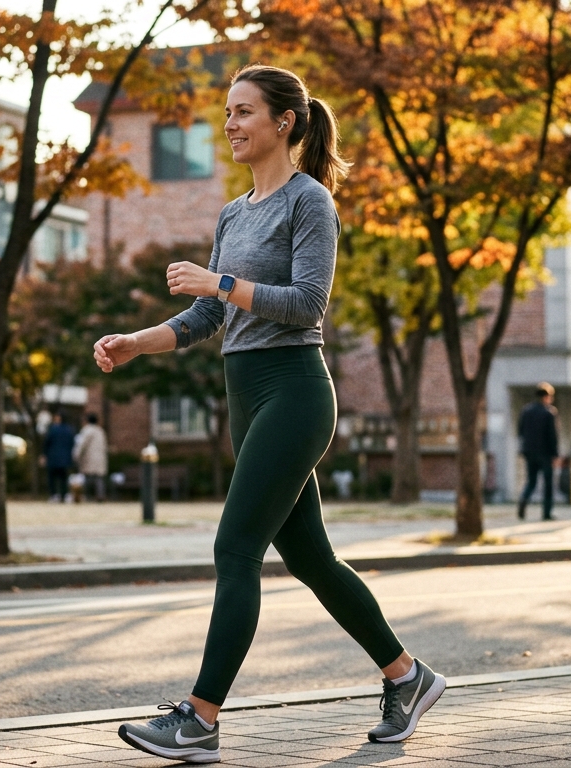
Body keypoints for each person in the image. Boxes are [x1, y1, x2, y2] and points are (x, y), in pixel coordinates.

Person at [94, 64, 444, 764]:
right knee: (312, 558)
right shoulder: (233, 211)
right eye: (227, 112)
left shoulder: (308, 201)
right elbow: (207, 316)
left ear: (284, 122)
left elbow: (308, 303)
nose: (230, 124)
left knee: (234, 549)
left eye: (244, 111)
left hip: (294, 392)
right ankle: (408, 676)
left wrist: (221, 281)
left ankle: (200, 718)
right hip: (245, 395)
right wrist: (139, 342)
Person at [516, 382, 560, 521]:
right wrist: (555, 454)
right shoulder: (549, 412)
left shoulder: (526, 411)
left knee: (531, 481)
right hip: (545, 453)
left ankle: (524, 499)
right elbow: (552, 436)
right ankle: (546, 513)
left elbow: (520, 430)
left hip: (529, 452)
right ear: (546, 396)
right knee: (548, 484)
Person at [74, 413, 109, 502]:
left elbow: (81, 444)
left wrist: (76, 455)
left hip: (89, 457)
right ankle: (100, 495)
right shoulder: (101, 431)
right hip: (100, 458)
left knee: (87, 478)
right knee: (99, 478)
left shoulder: (86, 430)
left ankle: (87, 496)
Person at [43, 411, 76, 503]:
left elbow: (47, 443)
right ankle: (64, 494)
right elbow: (72, 443)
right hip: (65, 457)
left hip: (53, 457)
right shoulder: (70, 429)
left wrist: (44, 454)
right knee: (63, 477)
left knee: (52, 478)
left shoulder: (53, 429)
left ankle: (54, 495)